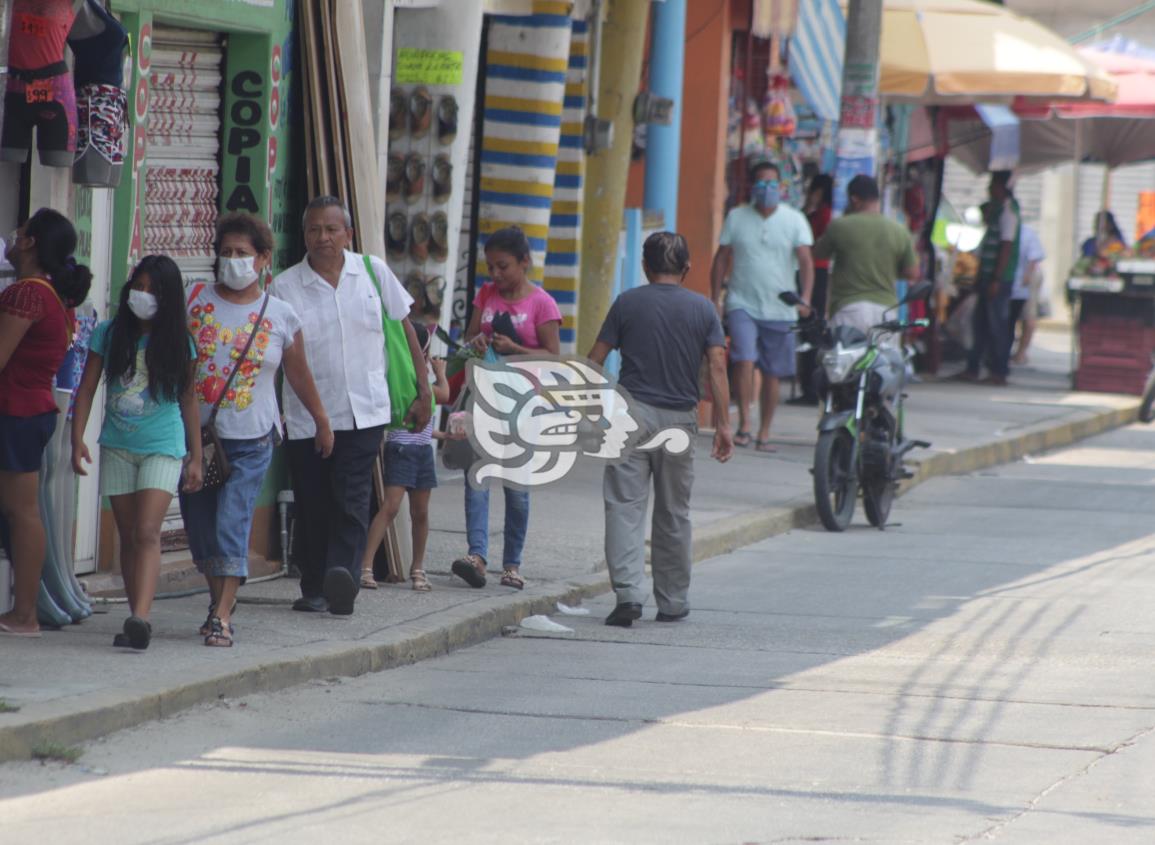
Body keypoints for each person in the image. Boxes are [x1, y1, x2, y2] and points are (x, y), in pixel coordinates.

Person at [271, 196, 431, 617]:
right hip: (307, 415)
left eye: (331, 229)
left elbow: (405, 330)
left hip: (365, 410)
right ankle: (313, 585)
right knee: (313, 500)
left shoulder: (373, 273)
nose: (322, 238)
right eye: (313, 230)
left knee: (352, 497)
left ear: (348, 234)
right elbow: (284, 356)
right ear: (304, 235)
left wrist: (424, 389)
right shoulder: (285, 286)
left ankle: (341, 577)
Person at [183, 213, 333, 646]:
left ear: (263, 259)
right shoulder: (194, 300)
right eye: (226, 252)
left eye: (242, 254)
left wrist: (321, 421)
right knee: (202, 531)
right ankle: (219, 603)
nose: (233, 261)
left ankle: (223, 615)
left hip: (252, 438)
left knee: (232, 522)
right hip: (198, 439)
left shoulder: (281, 315)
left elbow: (299, 374)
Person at [589, 232, 733, 627]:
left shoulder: (627, 303)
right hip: (680, 422)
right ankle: (671, 601)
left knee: (624, 506)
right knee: (674, 512)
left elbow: (595, 360)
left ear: (645, 267)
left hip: (630, 415)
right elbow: (718, 367)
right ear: (686, 268)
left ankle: (628, 594)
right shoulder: (703, 310)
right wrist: (723, 424)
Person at [70, 255, 203, 650]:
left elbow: (188, 398)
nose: (143, 296)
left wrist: (195, 457)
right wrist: (76, 438)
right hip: (117, 447)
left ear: (168, 299)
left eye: (153, 290)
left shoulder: (181, 342)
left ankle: (140, 618)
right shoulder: (108, 334)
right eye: (138, 287)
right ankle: (134, 615)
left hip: (163, 447)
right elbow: (88, 389)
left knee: (147, 531)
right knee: (127, 535)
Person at [452, 226, 562, 591]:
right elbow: (468, 340)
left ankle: (512, 564)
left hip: (523, 405)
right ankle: (477, 556)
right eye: (491, 268)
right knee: (477, 478)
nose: (496, 275)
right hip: (484, 399)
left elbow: (551, 355)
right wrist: (477, 344)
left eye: (503, 267)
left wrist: (514, 347)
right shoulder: (486, 294)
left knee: (516, 487)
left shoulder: (542, 303)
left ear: (524, 262)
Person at [0, 209, 92, 638]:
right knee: (23, 512)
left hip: (15, 411)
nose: (12, 238)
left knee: (21, 512)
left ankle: (24, 615)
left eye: (19, 233)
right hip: (30, 411)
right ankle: (26, 612)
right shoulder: (55, 296)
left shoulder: (27, 295)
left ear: (32, 242)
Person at [710, 160, 814, 452]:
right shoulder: (737, 217)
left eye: (772, 184)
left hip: (781, 307)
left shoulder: (795, 220)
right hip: (742, 302)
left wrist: (804, 297)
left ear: (781, 188)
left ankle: (764, 432)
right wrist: (715, 297)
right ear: (753, 187)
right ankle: (744, 424)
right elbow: (721, 258)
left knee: (773, 372)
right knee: (743, 359)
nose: (767, 189)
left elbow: (806, 261)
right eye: (761, 184)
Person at [359, 323, 451, 592]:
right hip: (402, 449)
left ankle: (417, 569)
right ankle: (366, 566)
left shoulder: (420, 380)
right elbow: (444, 393)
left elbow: (420, 424)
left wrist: (441, 436)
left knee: (420, 513)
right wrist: (441, 374)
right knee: (391, 507)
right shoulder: (408, 377)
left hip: (421, 449)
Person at [812, 174, 919, 342]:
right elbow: (912, 273)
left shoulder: (840, 226)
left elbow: (818, 254)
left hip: (849, 309)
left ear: (854, 200)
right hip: (886, 312)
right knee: (883, 366)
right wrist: (889, 270)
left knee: (844, 367)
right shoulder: (899, 230)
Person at [961, 171, 1021, 386]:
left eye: (992, 185)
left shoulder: (1008, 213)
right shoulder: (998, 211)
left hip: (998, 280)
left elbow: (1006, 247)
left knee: (997, 326)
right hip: (988, 277)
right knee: (981, 324)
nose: (989, 190)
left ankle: (999, 371)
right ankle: (973, 367)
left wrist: (996, 278)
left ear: (1002, 188)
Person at [792, 173, 834, 404]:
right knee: (809, 329)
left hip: (816, 272)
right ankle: (808, 384)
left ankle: (811, 386)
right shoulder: (818, 212)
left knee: (811, 328)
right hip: (814, 271)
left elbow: (814, 244)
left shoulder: (823, 213)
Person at [1010, 224, 1046, 366]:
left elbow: (1034, 258)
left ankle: (1021, 352)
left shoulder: (1026, 233)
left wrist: (1027, 276)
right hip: (1013, 279)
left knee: (1028, 316)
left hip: (1027, 277)